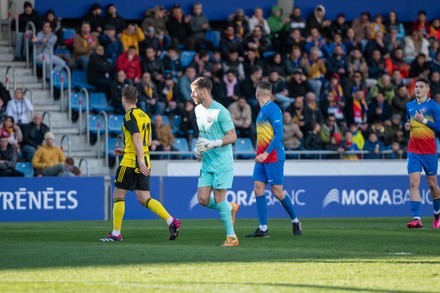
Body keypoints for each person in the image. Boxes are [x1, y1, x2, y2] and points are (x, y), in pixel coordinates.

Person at [100, 86, 181, 241]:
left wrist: (136, 158)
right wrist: (128, 151)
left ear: (123, 99)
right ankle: (171, 221)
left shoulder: (129, 116)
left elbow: (137, 138)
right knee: (144, 197)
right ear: (137, 100)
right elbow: (148, 141)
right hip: (144, 160)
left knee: (118, 194)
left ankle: (116, 234)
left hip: (132, 162)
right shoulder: (145, 116)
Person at [245, 81, 301, 238]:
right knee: (258, 188)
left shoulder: (273, 109)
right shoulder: (262, 111)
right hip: (262, 158)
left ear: (258, 93)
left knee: (277, 192)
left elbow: (279, 135)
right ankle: (263, 228)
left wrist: (265, 153)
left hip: (273, 157)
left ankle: (295, 221)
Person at [192, 77, 240, 247]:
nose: (192, 95)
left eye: (194, 91)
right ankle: (231, 208)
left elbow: (232, 136)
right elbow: (202, 133)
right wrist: (198, 149)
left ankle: (231, 237)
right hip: (207, 163)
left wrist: (215, 143)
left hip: (222, 163)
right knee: (203, 199)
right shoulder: (198, 110)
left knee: (219, 199)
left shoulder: (221, 111)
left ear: (204, 91)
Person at [404, 77, 440, 229]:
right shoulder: (409, 105)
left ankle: (437, 215)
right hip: (414, 150)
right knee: (414, 183)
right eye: (416, 86)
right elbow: (409, 121)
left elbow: (439, 127)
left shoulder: (434, 106)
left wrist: (423, 120)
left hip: (429, 151)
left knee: (432, 184)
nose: (417, 89)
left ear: (427, 89)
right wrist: (407, 125)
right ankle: (416, 218)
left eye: (420, 86)